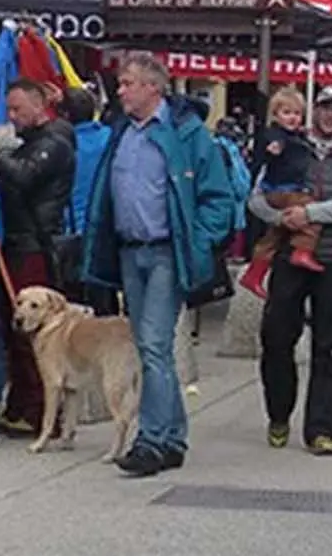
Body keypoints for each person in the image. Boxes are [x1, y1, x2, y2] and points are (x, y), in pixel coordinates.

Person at [80, 55, 237, 477]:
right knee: (153, 346)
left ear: (154, 88)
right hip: (131, 250)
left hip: (167, 249)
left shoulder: (186, 134)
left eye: (128, 82)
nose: (120, 90)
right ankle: (171, 438)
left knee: (151, 344)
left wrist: (198, 241)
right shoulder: (122, 132)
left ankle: (151, 440)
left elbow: (219, 198)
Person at [248, 87, 332, 456]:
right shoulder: (290, 144)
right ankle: (278, 413)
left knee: (328, 346)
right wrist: (282, 218)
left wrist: (311, 215)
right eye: (324, 108)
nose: (329, 115)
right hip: (289, 255)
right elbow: (258, 195)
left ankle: (321, 429)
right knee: (275, 338)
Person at [0, 79, 75, 435]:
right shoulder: (31, 142)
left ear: (39, 106)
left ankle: (39, 410)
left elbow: (25, 176)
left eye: (18, 109)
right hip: (17, 241)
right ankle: (21, 404)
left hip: (33, 244)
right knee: (12, 328)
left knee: (32, 332)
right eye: (9, 110)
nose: (12, 117)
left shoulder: (55, 143)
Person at [240, 88, 320, 299]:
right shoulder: (275, 135)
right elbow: (271, 147)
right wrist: (273, 149)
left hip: (282, 192)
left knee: (273, 237)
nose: (293, 118)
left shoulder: (300, 138)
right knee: (311, 212)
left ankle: (255, 273)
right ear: (275, 115)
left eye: (296, 113)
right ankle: (302, 250)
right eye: (287, 112)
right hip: (282, 190)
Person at [62, 86, 114, 313]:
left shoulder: (64, 144)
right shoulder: (110, 137)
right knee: (105, 299)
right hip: (105, 228)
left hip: (71, 231)